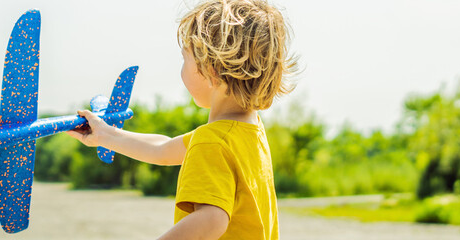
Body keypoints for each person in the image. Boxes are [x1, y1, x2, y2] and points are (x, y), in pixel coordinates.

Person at [67, 0, 297, 239]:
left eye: (184, 58)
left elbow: (212, 220)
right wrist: (105, 135)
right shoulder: (249, 132)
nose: (181, 69)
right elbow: (163, 150)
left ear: (211, 71)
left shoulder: (213, 143)